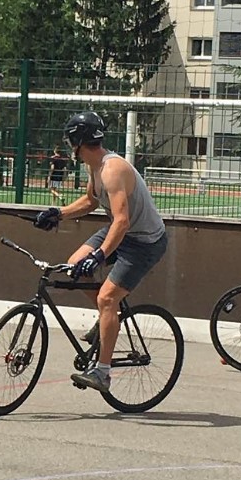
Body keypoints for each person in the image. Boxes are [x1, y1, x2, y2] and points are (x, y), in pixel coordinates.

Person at [33, 112, 167, 393]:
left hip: (144, 241)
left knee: (107, 297)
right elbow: (90, 201)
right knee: (73, 266)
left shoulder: (111, 169)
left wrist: (100, 256)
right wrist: (58, 213)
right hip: (123, 232)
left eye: (70, 140)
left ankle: (103, 373)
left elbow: (121, 220)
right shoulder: (94, 167)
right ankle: (108, 319)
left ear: (77, 141)